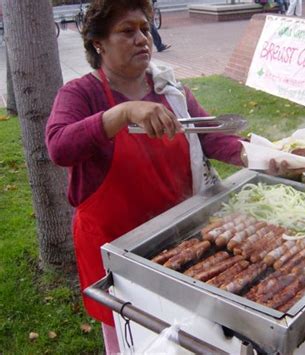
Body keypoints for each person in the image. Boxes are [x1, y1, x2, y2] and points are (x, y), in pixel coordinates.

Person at [45, 0, 246, 352]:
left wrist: (260, 155)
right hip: (115, 250)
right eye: (127, 31)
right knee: (131, 340)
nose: (142, 38)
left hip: (176, 240)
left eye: (144, 28)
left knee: (183, 335)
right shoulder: (82, 93)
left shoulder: (172, 91)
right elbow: (59, 146)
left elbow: (212, 137)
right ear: (98, 44)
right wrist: (123, 112)